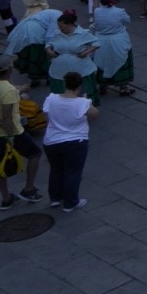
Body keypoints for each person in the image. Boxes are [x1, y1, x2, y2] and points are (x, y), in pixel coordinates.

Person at [0, 54, 44, 209]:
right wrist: (10, 136)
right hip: (13, 132)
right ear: (10, 69)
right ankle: (29, 189)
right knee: (35, 154)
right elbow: (7, 117)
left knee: (0, 165)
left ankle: (6, 198)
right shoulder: (9, 90)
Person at [42, 68, 97, 211]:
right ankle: (70, 202)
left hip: (51, 141)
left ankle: (55, 198)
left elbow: (47, 115)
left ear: (65, 84)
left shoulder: (51, 98)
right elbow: (95, 115)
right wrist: (88, 102)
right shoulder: (82, 103)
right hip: (75, 142)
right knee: (73, 172)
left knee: (56, 169)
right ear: (79, 86)